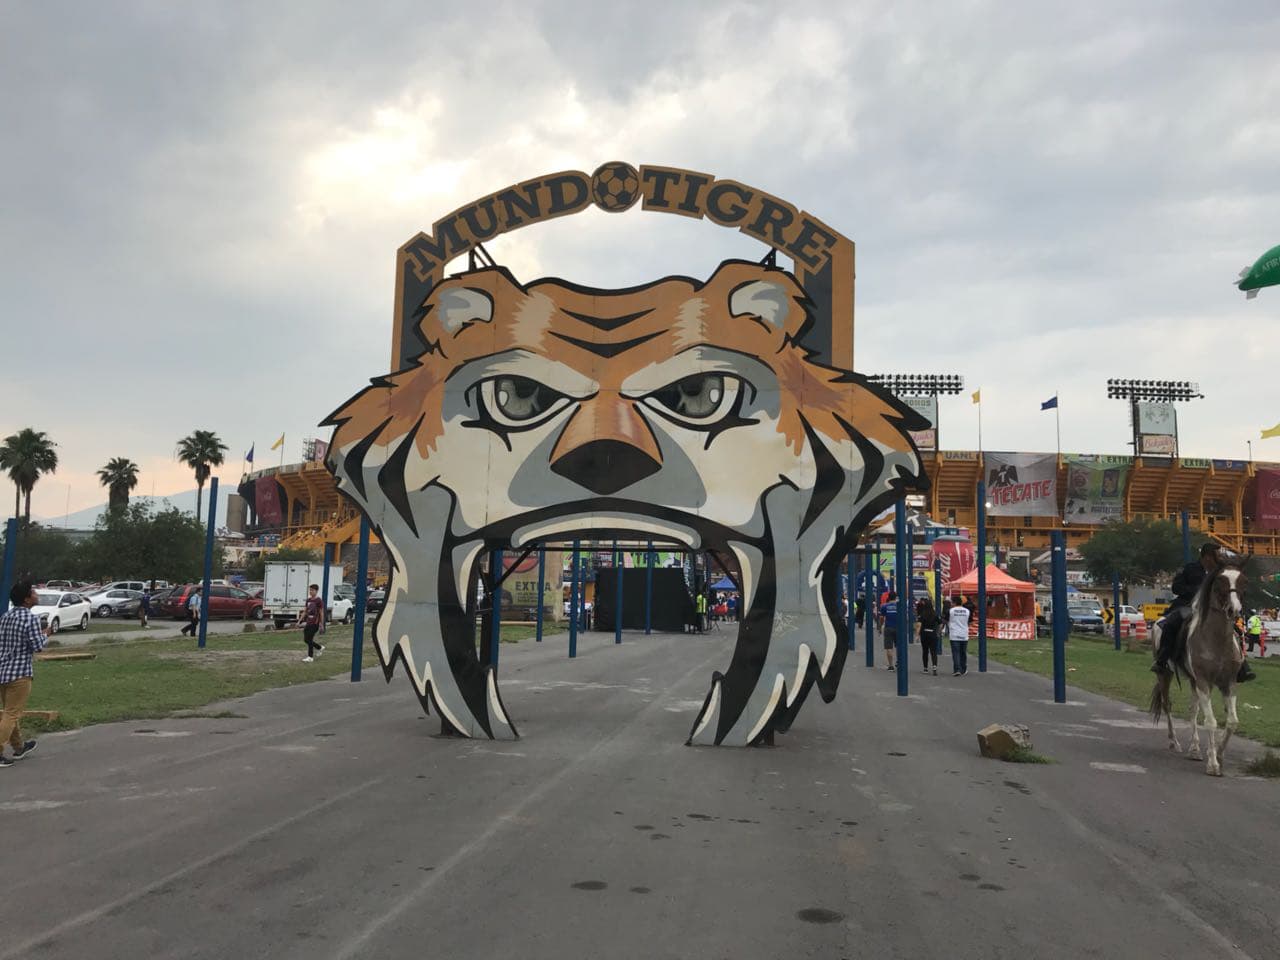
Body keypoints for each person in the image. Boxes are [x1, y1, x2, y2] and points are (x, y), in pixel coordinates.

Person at [1153, 544, 1256, 682]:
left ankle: (1241, 665)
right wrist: (1197, 593)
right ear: (1207, 557)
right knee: (1172, 624)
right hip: (1188, 606)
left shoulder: (1220, 573)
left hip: (1214, 609)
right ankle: (1162, 660)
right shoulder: (1190, 569)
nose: (1219, 559)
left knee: (1234, 630)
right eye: (1217, 556)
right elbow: (1176, 587)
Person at [0, 582, 48, 768]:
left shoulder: (6, 616)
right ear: (27, 599)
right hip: (20, 673)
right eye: (34, 592)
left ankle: (19, 747)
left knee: (9, 712)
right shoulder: (30, 619)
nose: (36, 594)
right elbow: (37, 646)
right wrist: (47, 634)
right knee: (12, 713)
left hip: (3, 670)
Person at [295, 583, 326, 662]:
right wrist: (299, 621)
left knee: (309, 639)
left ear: (316, 591)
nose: (311, 592)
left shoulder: (319, 601)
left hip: (315, 623)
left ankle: (310, 657)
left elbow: (321, 612)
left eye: (312, 590)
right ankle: (319, 647)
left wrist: (321, 624)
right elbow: (305, 611)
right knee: (306, 639)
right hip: (308, 622)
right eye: (310, 590)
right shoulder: (308, 600)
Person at [948, 597, 971, 676]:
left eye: (951, 602)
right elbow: (970, 621)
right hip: (964, 634)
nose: (951, 604)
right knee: (963, 653)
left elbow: (946, 620)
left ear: (954, 603)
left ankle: (957, 669)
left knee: (956, 653)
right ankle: (963, 669)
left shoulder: (951, 611)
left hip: (954, 634)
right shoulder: (967, 611)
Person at [917, 597, 940, 675]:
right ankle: (934, 666)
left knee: (925, 651)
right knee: (933, 652)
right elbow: (940, 623)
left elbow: (919, 625)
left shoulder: (922, 615)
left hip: (924, 634)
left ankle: (925, 668)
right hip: (933, 634)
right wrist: (938, 632)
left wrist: (917, 635)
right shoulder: (935, 614)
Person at [879, 591, 899, 670]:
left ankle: (891, 665)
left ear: (888, 597)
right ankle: (899, 661)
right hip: (898, 628)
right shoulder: (899, 606)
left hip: (888, 627)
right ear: (895, 597)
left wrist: (880, 626)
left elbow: (881, 618)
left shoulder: (884, 606)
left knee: (889, 647)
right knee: (898, 646)